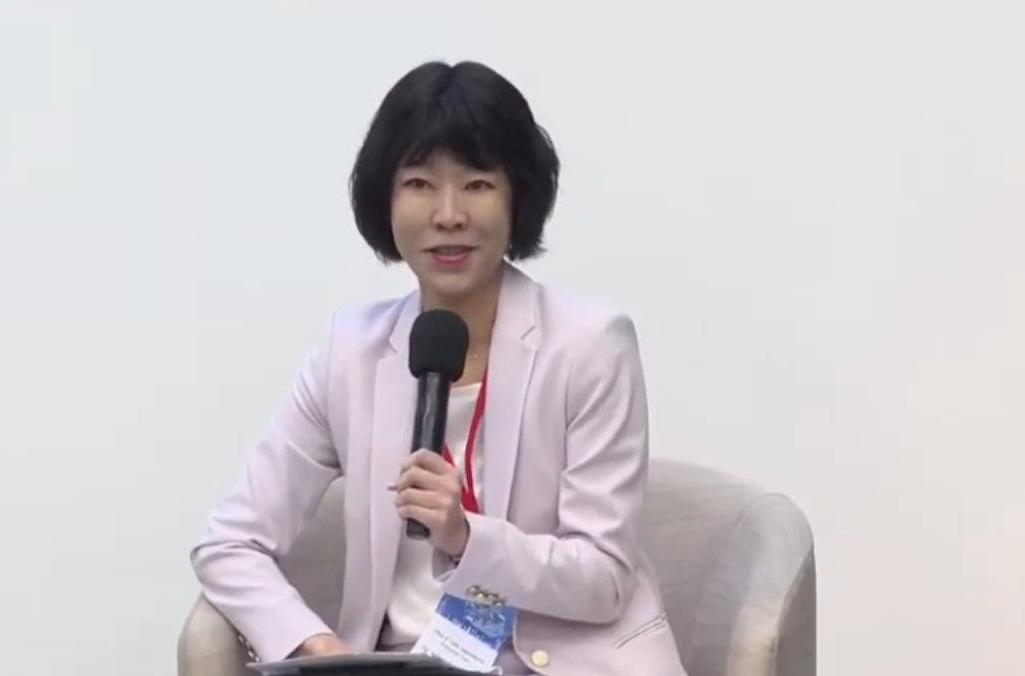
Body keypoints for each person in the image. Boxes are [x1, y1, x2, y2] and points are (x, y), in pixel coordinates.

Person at [191, 60, 688, 676]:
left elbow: (603, 580)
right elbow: (229, 543)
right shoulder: (349, 354)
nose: (448, 214)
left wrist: (465, 536)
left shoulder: (590, 346)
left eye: (477, 184)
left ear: (517, 197)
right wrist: (318, 649)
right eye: (420, 184)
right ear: (386, 199)